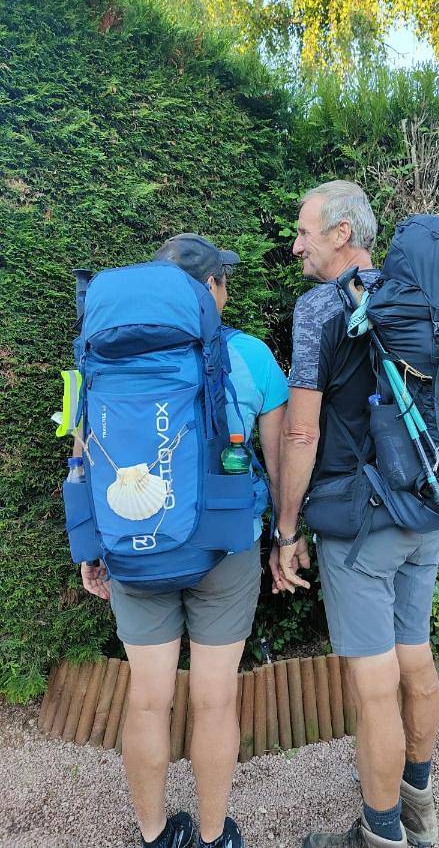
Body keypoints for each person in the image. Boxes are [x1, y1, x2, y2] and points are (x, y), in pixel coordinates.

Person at [81, 233, 288, 848]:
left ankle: (152, 835)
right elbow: (278, 460)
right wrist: (284, 537)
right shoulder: (250, 356)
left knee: (147, 702)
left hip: (132, 545)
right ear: (211, 288)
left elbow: (87, 456)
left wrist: (92, 548)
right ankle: (214, 834)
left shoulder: (100, 359)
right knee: (216, 701)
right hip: (225, 549)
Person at [270, 182, 439, 848]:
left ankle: (379, 838)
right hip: (422, 510)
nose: (295, 245)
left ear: (343, 232)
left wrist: (285, 530)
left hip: (360, 524)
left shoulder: (318, 309)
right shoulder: (417, 297)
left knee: (374, 690)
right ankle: (420, 816)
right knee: (417, 663)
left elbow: (301, 433)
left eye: (304, 231)